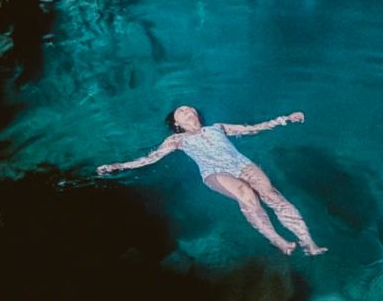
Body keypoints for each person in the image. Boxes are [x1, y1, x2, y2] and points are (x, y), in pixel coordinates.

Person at [97, 105, 327, 256]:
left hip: (241, 163)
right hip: (214, 173)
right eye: (182, 112)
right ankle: (277, 240)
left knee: (271, 194)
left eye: (190, 109)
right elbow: (149, 159)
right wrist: (117, 166)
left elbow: (254, 129)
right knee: (246, 195)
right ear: (177, 123)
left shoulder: (218, 128)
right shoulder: (176, 140)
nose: (189, 111)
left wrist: (285, 119)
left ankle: (308, 242)